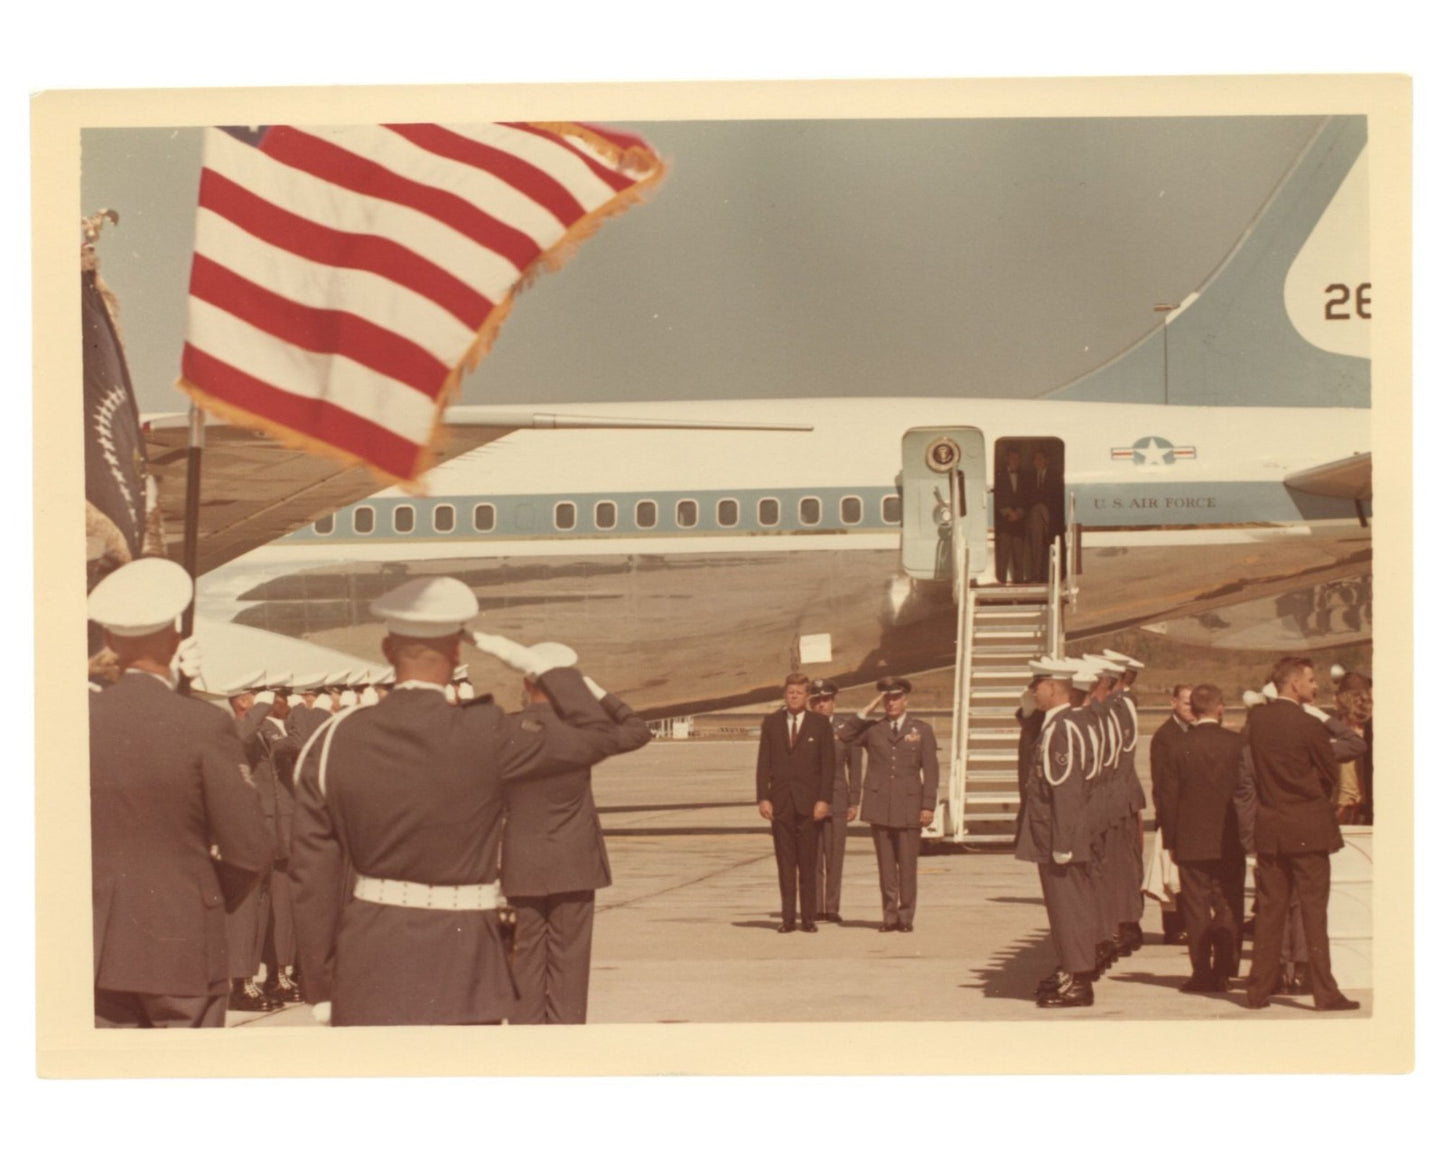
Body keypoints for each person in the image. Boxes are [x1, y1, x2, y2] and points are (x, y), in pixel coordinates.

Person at [288, 576, 632, 1026]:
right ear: (457, 655)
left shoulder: (335, 738)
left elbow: (311, 876)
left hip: (370, 956)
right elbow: (601, 735)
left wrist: (321, 984)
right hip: (469, 956)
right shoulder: (487, 732)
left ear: (388, 650)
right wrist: (536, 666)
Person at [88, 558, 272, 1028]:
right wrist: (202, 895)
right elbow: (248, 852)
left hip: (95, 945)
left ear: (109, 641)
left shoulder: (77, 719)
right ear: (175, 641)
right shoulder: (204, 725)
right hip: (181, 942)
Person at [499, 647, 652, 1023]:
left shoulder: (504, 732)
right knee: (570, 963)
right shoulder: (581, 735)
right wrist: (598, 694)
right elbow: (638, 730)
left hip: (522, 866)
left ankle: (527, 1048)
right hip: (574, 863)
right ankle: (567, 1045)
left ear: (525, 683)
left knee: (523, 962)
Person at [1241, 656, 1360, 1011]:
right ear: (1294, 684)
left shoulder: (1256, 721)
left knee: (1271, 912)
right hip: (1308, 827)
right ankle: (1325, 992)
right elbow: (1353, 747)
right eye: (1310, 680)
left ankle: (1258, 990)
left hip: (1272, 829)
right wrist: (1323, 717)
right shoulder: (1309, 725)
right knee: (1313, 914)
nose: (1315, 686)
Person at [1155, 684, 1248, 992]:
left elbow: (1167, 798)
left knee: (1195, 908)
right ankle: (1224, 969)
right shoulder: (1236, 744)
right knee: (1228, 903)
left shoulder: (1178, 747)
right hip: (1229, 838)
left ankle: (1201, 972)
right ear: (1220, 708)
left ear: (1192, 709)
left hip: (1191, 840)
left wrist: (1170, 840)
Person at [1015, 657, 1095, 1008]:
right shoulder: (1055, 724)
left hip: (1057, 836)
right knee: (1061, 909)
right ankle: (1070, 972)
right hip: (1053, 833)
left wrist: (1062, 842)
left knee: (1067, 909)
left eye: (1037, 686)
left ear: (1052, 688)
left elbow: (1065, 789)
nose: (1033, 692)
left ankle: (1078, 982)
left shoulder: (1062, 729)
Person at [838, 677, 939, 933]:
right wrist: (866, 710)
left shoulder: (921, 730)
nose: (891, 703)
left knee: (907, 866)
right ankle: (889, 916)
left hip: (909, 806)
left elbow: (932, 771)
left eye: (896, 698)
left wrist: (928, 806)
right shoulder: (873, 729)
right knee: (886, 867)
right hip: (880, 805)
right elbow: (843, 735)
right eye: (887, 698)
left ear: (906, 700)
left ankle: (906, 917)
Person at [755, 673, 835, 932]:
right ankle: (788, 919)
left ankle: (808, 919)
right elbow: (763, 763)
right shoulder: (772, 723)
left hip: (809, 804)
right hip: (781, 804)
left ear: (807, 697)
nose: (794, 697)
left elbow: (828, 767)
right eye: (790, 692)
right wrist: (763, 797)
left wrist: (823, 800)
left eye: (799, 693)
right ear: (784, 695)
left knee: (808, 864)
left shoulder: (820, 725)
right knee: (785, 864)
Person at [808, 679, 863, 923]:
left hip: (838, 800)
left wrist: (854, 800)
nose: (821, 705)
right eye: (817, 701)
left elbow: (855, 766)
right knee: (813, 857)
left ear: (834, 701)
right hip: (809, 802)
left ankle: (831, 907)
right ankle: (816, 906)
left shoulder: (846, 729)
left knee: (835, 857)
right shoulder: (805, 728)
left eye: (826, 700)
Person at [1148, 684, 1194, 945]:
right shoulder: (1166, 737)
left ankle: (1187, 924)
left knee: (1184, 877)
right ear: (1173, 703)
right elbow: (1161, 784)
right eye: (1186, 703)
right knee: (1171, 877)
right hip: (1173, 816)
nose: (1191, 708)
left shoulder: (1193, 730)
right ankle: (1175, 928)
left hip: (1191, 817)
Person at [1025, 447, 1065, 582]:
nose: (1037, 462)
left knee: (1052, 547)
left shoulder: (1055, 476)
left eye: (1040, 459)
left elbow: (1056, 498)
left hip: (1052, 519)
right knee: (1036, 547)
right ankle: (1036, 576)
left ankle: (1053, 576)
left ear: (1047, 461)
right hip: (1036, 521)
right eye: (1035, 459)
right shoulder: (1030, 477)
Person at [993, 446, 1029, 584]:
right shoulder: (998, 476)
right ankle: (1000, 583)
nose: (1015, 460)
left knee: (1019, 557)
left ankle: (1019, 585)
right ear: (1006, 458)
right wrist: (1008, 512)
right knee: (1003, 556)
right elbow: (997, 498)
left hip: (1019, 524)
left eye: (1017, 458)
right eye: (1012, 457)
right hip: (1004, 523)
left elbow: (1027, 498)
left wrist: (1019, 513)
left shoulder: (1024, 477)